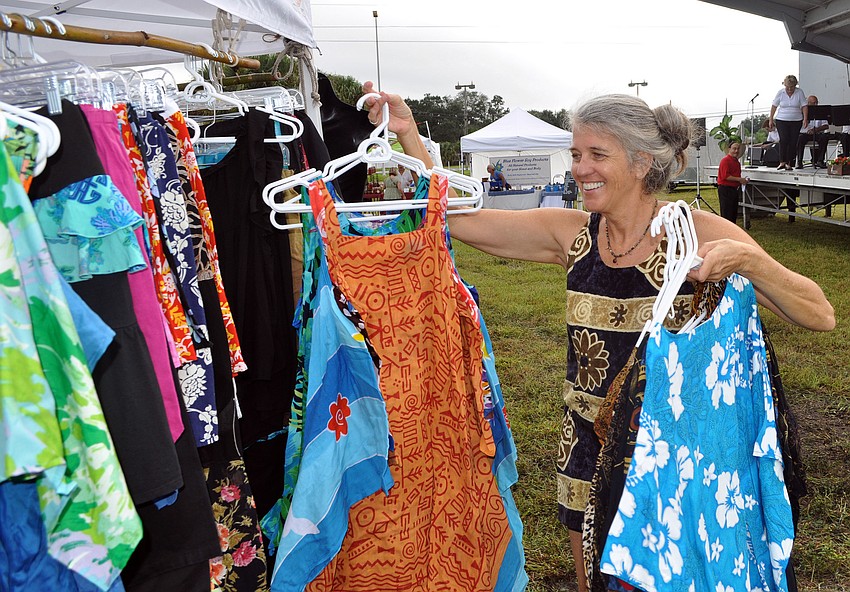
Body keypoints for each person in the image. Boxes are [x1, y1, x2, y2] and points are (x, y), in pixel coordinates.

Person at [361, 82, 835, 592]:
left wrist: (750, 261)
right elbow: (459, 217)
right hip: (585, 450)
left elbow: (819, 313)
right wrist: (410, 137)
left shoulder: (694, 230)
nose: (579, 168)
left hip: (670, 461)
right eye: (575, 154)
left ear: (639, 161)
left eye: (595, 155)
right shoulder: (573, 234)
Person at [768, 74, 808, 171]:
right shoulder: (780, 93)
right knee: (784, 139)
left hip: (796, 120)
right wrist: (771, 119)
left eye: (792, 87)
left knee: (793, 141)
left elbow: (804, 106)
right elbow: (774, 106)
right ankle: (782, 162)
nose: (790, 89)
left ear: (795, 86)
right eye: (788, 87)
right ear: (785, 85)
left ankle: (789, 162)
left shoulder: (799, 92)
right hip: (782, 120)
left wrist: (805, 118)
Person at [717, 141, 748, 224]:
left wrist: (742, 180)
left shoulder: (736, 162)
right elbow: (725, 176)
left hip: (734, 189)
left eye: (738, 149)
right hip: (725, 189)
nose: (736, 151)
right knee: (727, 212)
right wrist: (739, 179)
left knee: (733, 212)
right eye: (734, 149)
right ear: (729, 149)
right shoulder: (725, 160)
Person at [796, 95, 830, 168]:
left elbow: (826, 126)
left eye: (816, 103)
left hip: (816, 133)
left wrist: (815, 130)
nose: (815, 105)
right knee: (800, 138)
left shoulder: (820, 112)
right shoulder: (801, 112)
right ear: (807, 103)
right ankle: (799, 161)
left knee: (824, 137)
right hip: (804, 134)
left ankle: (820, 160)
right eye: (813, 103)